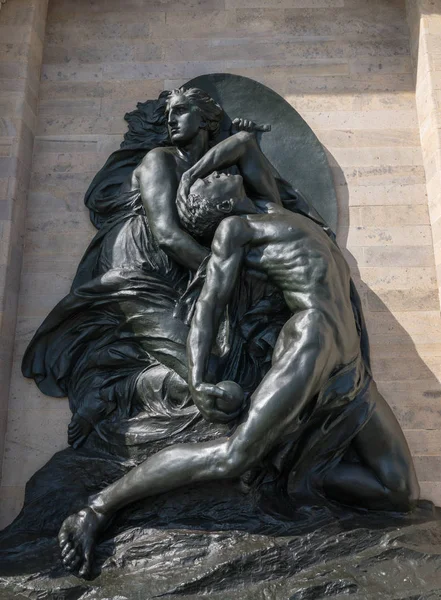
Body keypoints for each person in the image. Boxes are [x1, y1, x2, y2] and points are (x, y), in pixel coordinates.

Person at [58, 131, 419, 577]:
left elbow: (244, 144)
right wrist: (198, 376)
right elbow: (208, 308)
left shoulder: (274, 206)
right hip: (312, 339)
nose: (219, 175)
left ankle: (286, 472)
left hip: (349, 361)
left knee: (397, 490)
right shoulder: (236, 230)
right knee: (234, 455)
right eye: (209, 184)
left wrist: (191, 173)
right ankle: (98, 507)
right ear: (218, 208)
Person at [22, 89, 291, 451]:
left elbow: (273, 212)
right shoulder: (158, 161)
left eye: (181, 111)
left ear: (208, 121)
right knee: (209, 378)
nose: (171, 119)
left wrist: (245, 147)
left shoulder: (219, 172)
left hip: (185, 275)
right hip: (138, 271)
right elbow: (166, 235)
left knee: (238, 370)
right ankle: (113, 390)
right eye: (168, 113)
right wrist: (230, 276)